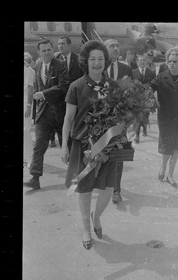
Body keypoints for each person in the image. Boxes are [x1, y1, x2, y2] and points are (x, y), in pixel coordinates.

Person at [61, 40, 118, 250]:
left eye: (100, 59)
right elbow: (68, 119)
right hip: (83, 147)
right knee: (83, 190)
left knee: (108, 189)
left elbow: (120, 117)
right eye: (92, 59)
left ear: (106, 61)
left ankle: (96, 218)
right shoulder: (76, 86)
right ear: (86, 62)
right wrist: (65, 147)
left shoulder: (114, 86)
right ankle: (86, 228)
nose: (96, 63)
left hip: (108, 147)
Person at [24, 39, 70, 190]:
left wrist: (43, 94)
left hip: (60, 113)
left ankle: (76, 176)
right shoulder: (36, 66)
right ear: (39, 53)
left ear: (52, 49)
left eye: (49, 49)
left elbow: (63, 86)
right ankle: (35, 178)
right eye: (43, 50)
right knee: (38, 146)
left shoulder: (61, 64)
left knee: (67, 144)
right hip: (43, 114)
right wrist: (34, 112)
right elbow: (35, 89)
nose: (47, 52)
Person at [149, 46, 178, 187]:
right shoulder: (162, 76)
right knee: (166, 146)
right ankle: (163, 167)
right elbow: (150, 87)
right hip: (166, 118)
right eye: (170, 61)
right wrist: (151, 98)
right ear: (167, 62)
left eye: (175, 61)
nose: (172, 64)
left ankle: (170, 175)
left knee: (177, 147)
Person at [104, 39, 133, 204]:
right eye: (112, 46)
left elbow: (132, 93)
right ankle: (103, 185)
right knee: (101, 151)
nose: (116, 48)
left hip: (120, 119)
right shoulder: (98, 67)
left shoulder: (126, 68)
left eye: (117, 45)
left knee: (119, 153)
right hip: (101, 118)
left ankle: (116, 190)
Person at [50, 36, 84, 148]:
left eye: (63, 44)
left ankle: (74, 149)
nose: (60, 46)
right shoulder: (54, 60)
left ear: (70, 45)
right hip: (60, 100)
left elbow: (83, 78)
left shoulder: (78, 60)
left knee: (75, 125)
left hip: (75, 100)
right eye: (59, 44)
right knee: (60, 125)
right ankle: (65, 148)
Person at [132, 53, 156, 143]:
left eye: (144, 60)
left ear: (146, 61)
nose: (142, 62)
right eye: (140, 60)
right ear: (137, 62)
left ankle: (145, 128)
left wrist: (149, 90)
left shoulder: (151, 73)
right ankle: (137, 135)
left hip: (147, 98)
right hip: (136, 98)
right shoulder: (133, 72)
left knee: (145, 115)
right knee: (137, 116)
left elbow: (154, 84)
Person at [24, 52, 35, 168]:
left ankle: (30, 158)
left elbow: (30, 87)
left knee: (25, 131)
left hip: (25, 100)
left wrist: (28, 105)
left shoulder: (28, 69)